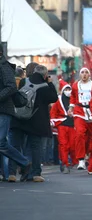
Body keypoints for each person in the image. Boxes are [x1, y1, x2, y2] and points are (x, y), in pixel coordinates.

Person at [9, 64, 58, 182]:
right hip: (35, 122)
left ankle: (11, 173)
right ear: (45, 75)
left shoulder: (23, 81)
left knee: (15, 146)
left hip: (19, 119)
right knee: (35, 147)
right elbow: (53, 98)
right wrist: (50, 83)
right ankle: (35, 174)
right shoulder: (45, 86)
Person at [0, 48, 31, 180]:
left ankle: (24, 163)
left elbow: (11, 86)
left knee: (1, 143)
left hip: (3, 109)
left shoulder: (4, 66)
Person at [69, 67, 92, 170]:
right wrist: (71, 108)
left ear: (89, 74)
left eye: (86, 72)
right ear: (80, 74)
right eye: (82, 72)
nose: (84, 74)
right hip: (79, 112)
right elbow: (73, 98)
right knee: (79, 134)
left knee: (90, 138)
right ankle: (81, 160)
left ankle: (90, 155)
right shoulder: (75, 85)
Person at [50, 81, 76, 173]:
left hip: (73, 126)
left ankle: (71, 161)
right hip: (62, 125)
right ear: (63, 90)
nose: (68, 91)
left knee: (72, 146)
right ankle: (65, 163)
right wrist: (53, 122)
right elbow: (53, 112)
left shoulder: (74, 99)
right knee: (63, 145)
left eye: (69, 89)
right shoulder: (58, 100)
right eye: (66, 89)